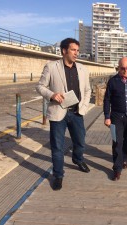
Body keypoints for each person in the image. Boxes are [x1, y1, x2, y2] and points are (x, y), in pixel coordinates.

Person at [36, 38, 91, 190]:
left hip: (76, 112)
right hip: (58, 113)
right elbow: (40, 86)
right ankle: (58, 175)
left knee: (80, 142)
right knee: (57, 147)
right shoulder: (51, 66)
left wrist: (84, 107)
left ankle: (78, 159)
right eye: (74, 50)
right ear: (64, 50)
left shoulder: (82, 69)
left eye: (78, 50)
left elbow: (87, 90)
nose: (76, 53)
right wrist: (52, 95)